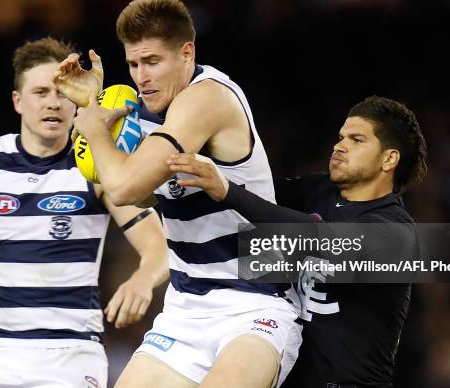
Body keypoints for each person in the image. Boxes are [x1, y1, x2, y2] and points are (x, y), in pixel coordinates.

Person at [53, 0, 301, 388]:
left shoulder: (206, 98)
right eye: (133, 64)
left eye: (153, 62)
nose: (140, 76)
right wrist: (94, 105)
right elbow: (137, 193)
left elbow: (123, 187)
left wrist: (95, 124)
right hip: (185, 311)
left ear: (187, 53)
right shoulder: (152, 115)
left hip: (253, 307)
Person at [0, 37, 169, 388]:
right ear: (18, 101)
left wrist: (142, 280)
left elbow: (158, 250)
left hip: (72, 353)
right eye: (40, 93)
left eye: (62, 93)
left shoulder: (97, 168)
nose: (53, 103)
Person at [166, 95, 428, 387]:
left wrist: (228, 190)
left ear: (389, 159)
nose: (339, 146)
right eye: (340, 137)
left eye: (356, 140)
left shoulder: (396, 232)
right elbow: (253, 196)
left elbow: (316, 238)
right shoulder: (318, 191)